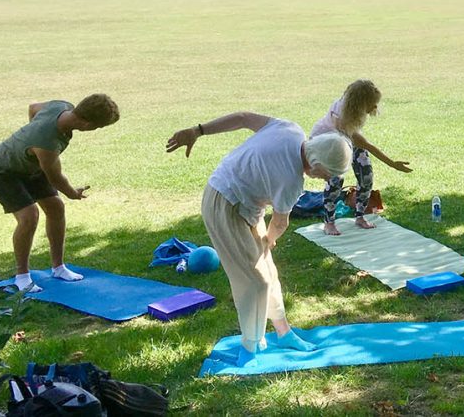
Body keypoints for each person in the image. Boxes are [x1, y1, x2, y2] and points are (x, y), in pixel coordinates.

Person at [166, 112, 352, 366]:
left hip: (246, 205)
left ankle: (283, 332)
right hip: (223, 202)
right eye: (327, 174)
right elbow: (280, 222)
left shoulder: (291, 128)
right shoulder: (292, 181)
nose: (326, 179)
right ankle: (251, 347)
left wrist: (198, 130)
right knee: (255, 282)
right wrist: (268, 241)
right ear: (317, 162)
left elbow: (243, 118)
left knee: (269, 273)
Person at [0, 95, 119, 293]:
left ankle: (58, 268)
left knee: (55, 207)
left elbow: (33, 106)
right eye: (98, 127)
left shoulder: (63, 107)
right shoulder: (47, 143)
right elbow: (56, 178)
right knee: (29, 216)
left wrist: (32, 136)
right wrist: (73, 193)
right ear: (87, 124)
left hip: (30, 165)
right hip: (1, 170)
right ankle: (22, 277)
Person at [311, 79, 412, 234]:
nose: (375, 107)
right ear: (360, 103)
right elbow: (367, 146)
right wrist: (392, 164)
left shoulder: (354, 108)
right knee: (336, 180)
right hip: (328, 144)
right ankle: (329, 222)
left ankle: (360, 217)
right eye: (372, 103)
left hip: (346, 139)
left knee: (366, 176)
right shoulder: (341, 117)